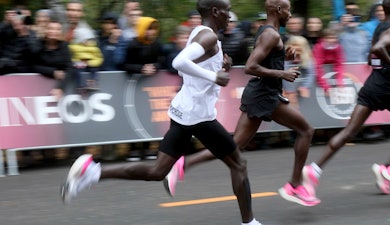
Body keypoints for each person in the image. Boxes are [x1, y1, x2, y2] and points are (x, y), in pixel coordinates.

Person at [60, 0, 263, 224]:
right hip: (199, 116)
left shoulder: (199, 31)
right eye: (227, 11)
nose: (229, 15)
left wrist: (220, 69)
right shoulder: (209, 37)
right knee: (238, 164)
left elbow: (195, 67)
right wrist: (214, 76)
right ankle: (249, 222)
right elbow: (179, 61)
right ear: (215, 12)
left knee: (158, 171)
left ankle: (93, 172)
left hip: (184, 112)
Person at [164, 0, 320, 207]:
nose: (291, 15)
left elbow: (265, 59)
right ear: (279, 10)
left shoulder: (270, 32)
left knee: (234, 146)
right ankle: (295, 185)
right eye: (289, 10)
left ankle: (183, 164)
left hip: (262, 94)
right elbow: (251, 66)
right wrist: (282, 72)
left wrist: (285, 57)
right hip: (265, 96)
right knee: (306, 131)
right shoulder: (270, 34)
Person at [301, 0, 390, 199]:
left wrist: (384, 65)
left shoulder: (380, 27)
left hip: (373, 85)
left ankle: (314, 169)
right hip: (385, 88)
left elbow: (372, 55)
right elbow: (378, 49)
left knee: (348, 133)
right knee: (349, 132)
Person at [33, 20, 73, 100]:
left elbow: (69, 68)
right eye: (51, 28)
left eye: (57, 29)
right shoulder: (38, 44)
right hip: (36, 86)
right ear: (46, 30)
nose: (54, 31)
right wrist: (52, 72)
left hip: (59, 86)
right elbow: (32, 65)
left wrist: (60, 88)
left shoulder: (64, 46)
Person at [312, 28, 345, 95]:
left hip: (331, 72)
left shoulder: (338, 47)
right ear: (323, 38)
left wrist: (340, 83)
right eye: (329, 38)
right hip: (321, 74)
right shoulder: (318, 47)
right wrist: (326, 87)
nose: (331, 40)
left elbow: (339, 65)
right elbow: (317, 68)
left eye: (334, 38)